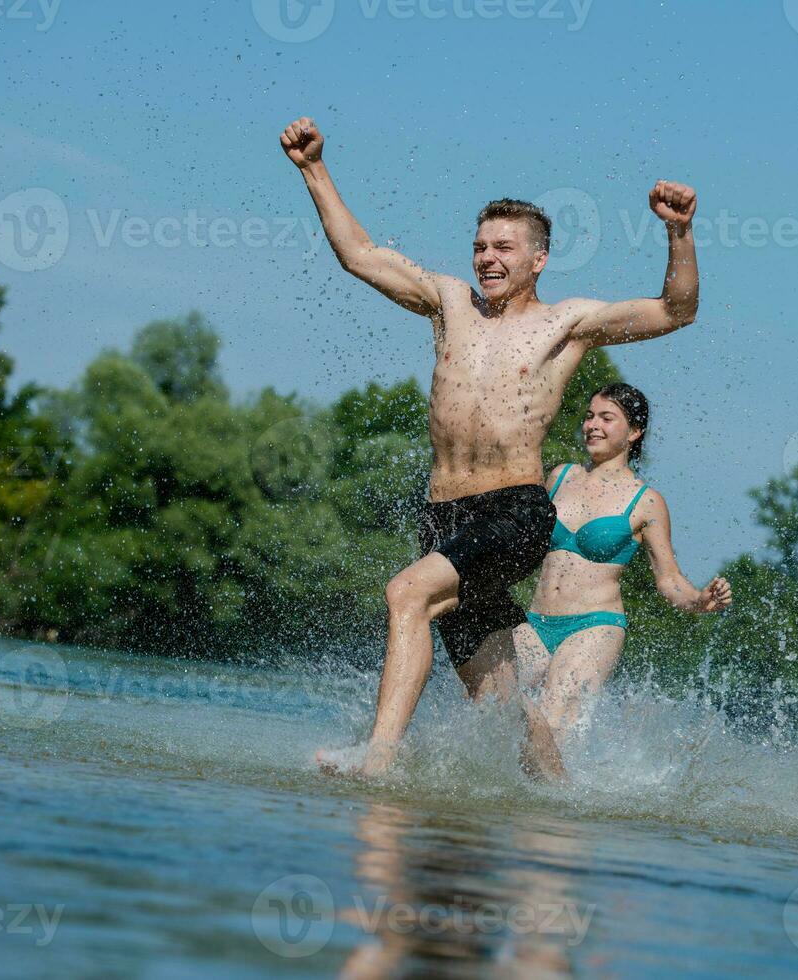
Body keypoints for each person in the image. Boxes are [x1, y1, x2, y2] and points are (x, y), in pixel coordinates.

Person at [279, 117, 702, 776]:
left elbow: (676, 311)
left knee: (406, 595)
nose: (487, 258)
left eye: (504, 247)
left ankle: (380, 757)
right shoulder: (449, 303)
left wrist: (679, 233)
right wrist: (313, 170)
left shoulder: (568, 325)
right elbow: (360, 255)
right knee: (501, 707)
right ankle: (557, 798)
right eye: (480, 246)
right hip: (445, 516)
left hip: (514, 511)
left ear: (538, 259)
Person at [512, 383, 732, 763]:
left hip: (594, 626)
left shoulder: (646, 501)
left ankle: (553, 816)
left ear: (633, 432)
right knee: (490, 704)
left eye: (606, 418)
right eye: (589, 416)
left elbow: (668, 580)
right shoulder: (559, 477)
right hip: (534, 621)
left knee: (553, 723)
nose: (592, 425)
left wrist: (699, 600)